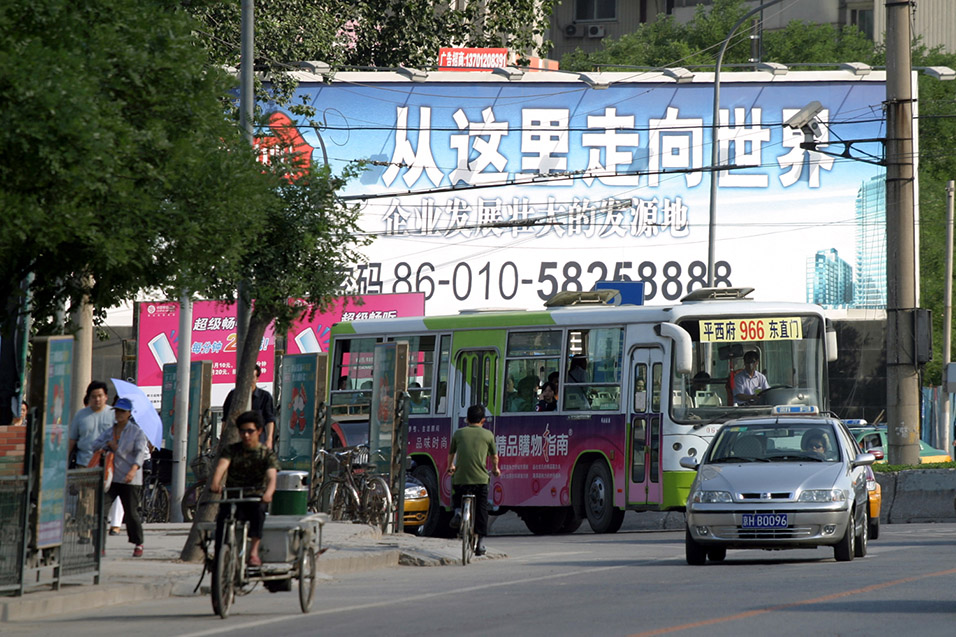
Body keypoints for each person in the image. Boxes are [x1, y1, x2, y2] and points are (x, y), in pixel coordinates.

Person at [209, 411, 279, 567]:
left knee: (259, 513)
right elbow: (222, 466)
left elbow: (272, 477)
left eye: (250, 431)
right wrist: (215, 482)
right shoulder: (232, 450)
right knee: (222, 518)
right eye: (242, 431)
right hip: (234, 496)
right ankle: (219, 553)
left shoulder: (266, 454)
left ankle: (253, 553)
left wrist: (268, 493)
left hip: (254, 498)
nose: (246, 435)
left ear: (259, 431)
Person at [91, 397, 149, 557]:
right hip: (111, 478)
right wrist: (107, 445)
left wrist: (133, 469)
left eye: (122, 411)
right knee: (101, 511)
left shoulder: (137, 432)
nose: (119, 414)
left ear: (129, 413)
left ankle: (138, 543)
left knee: (131, 513)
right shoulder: (110, 431)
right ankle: (99, 546)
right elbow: (95, 444)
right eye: (117, 411)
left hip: (130, 478)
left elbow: (139, 453)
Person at [446, 404, 500, 556]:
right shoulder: (488, 435)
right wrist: (495, 469)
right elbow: (494, 457)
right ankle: (481, 543)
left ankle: (457, 511)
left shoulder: (458, 433)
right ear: (483, 420)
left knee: (456, 489)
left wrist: (450, 466)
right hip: (480, 480)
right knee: (482, 508)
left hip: (461, 479)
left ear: (466, 419)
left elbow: (451, 454)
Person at [68, 381, 115, 542]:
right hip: (85, 462)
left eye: (100, 396)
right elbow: (72, 440)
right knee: (84, 500)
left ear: (106, 397)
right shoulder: (81, 415)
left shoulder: (113, 414)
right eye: (94, 396)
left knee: (102, 501)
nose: (97, 399)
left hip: (107, 464)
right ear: (88, 398)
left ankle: (99, 533)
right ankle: (84, 533)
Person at [222, 364, 276, 449]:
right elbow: (225, 419)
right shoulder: (233, 395)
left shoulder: (265, 396)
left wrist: (269, 439)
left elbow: (269, 420)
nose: (249, 380)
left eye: (252, 377)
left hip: (258, 441)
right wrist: (223, 440)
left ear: (257, 379)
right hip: (236, 441)